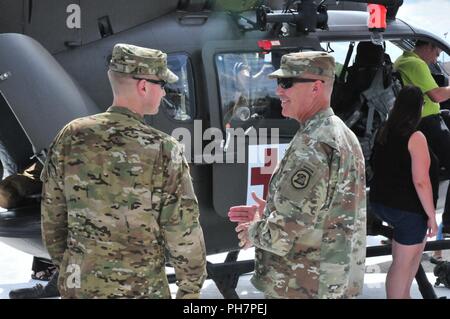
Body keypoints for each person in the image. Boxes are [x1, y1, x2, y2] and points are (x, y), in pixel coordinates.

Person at [40, 43, 207, 298]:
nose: (164, 94)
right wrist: (190, 290)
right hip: (141, 289)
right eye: (162, 85)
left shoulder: (71, 135)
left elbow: (53, 217)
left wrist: (75, 266)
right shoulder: (163, 148)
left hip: (80, 286)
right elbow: (182, 230)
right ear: (143, 86)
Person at [228, 51, 367, 299]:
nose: (279, 91)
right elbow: (323, 215)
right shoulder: (341, 134)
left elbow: (280, 235)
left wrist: (253, 229)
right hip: (330, 284)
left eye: (287, 83)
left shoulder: (313, 144)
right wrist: (268, 213)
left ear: (316, 87)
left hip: (302, 287)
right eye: (279, 83)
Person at [370, 85, 439, 299]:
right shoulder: (415, 136)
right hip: (408, 209)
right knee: (403, 263)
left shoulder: (385, 129)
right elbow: (421, 181)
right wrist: (431, 216)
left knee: (407, 261)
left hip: (382, 202)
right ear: (418, 108)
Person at [394, 40, 450, 236]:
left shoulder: (402, 60)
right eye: (437, 54)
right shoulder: (416, 63)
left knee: (429, 168)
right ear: (429, 47)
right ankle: (447, 222)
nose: (435, 59)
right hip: (427, 121)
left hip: (418, 122)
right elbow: (436, 95)